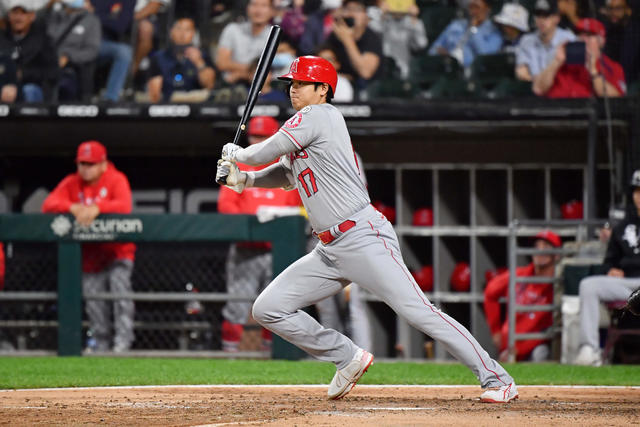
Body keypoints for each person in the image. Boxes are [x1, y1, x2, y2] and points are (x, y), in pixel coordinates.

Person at [215, 55, 518, 403]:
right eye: (291, 84)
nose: (293, 89)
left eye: (300, 83)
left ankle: (497, 378)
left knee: (419, 312)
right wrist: (245, 180)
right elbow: (284, 172)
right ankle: (347, 357)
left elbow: (262, 152)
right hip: (328, 250)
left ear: (322, 89)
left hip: (362, 235)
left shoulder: (320, 116)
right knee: (268, 308)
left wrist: (238, 156)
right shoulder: (306, 127)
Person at [218, 116, 304, 352]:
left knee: (276, 306)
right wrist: (252, 227)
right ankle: (229, 358)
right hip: (247, 250)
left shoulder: (284, 168)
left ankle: (270, 357)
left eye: (264, 137)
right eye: (255, 136)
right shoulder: (240, 166)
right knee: (237, 306)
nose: (258, 140)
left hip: (279, 252)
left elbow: (299, 209)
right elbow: (226, 206)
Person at [42, 141, 136, 353]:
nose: (85, 168)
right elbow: (48, 204)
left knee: (120, 296)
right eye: (82, 163)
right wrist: (72, 207)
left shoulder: (116, 178)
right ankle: (102, 345)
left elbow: (124, 206)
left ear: (103, 163)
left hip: (117, 252)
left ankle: (123, 343)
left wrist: (97, 208)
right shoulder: (71, 182)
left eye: (91, 163)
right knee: (94, 303)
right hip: (90, 257)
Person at [574, 170, 640, 366]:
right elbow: (609, 260)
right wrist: (610, 269)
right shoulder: (621, 227)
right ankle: (589, 350)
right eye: (637, 191)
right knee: (588, 285)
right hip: (626, 282)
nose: (639, 196)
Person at [484, 230, 562, 362]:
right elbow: (490, 292)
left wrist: (519, 350)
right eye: (537, 246)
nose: (540, 251)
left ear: (557, 255)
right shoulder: (520, 275)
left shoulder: (557, 285)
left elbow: (549, 330)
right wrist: (496, 331)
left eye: (546, 247)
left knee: (541, 354)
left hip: (533, 348)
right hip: (508, 347)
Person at [532, 18, 626, 97]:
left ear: (601, 41)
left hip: (591, 117)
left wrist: (593, 72)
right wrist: (556, 62)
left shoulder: (612, 67)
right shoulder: (563, 61)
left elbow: (618, 100)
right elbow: (538, 89)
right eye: (580, 35)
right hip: (558, 114)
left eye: (589, 35)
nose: (584, 39)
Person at [146, 16, 216, 103]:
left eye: (187, 30)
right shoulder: (159, 57)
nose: (182, 34)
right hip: (168, 105)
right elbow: (154, 94)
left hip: (196, 105)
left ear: (193, 33)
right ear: (171, 32)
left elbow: (209, 85)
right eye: (179, 28)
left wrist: (199, 62)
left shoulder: (203, 55)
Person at [0, 0, 58, 102]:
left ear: (32, 16)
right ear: (9, 16)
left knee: (29, 90)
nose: (18, 18)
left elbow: (53, 73)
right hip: (4, 86)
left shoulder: (43, 40)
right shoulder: (2, 37)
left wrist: (24, 74)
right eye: (15, 13)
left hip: (31, 86)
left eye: (23, 13)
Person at [47, 0, 101, 102]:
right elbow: (34, 21)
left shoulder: (91, 20)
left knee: (67, 84)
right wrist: (50, 5)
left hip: (73, 64)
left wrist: (69, 57)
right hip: (50, 60)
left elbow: (92, 51)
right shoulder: (55, 15)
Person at [326, 0, 383, 94]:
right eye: (347, 9)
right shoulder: (334, 37)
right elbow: (323, 63)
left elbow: (365, 72)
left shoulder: (372, 38)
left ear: (366, 17)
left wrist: (347, 40)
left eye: (357, 10)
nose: (351, 13)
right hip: (340, 88)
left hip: (366, 93)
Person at [428, 0, 502, 68]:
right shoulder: (456, 25)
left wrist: (474, 29)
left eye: (477, 7)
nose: (472, 12)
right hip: (449, 68)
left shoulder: (494, 32)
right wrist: (441, 53)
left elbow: (485, 56)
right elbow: (432, 50)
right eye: (471, 7)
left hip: (473, 73)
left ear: (487, 10)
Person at [215, 0, 274, 85]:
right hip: (231, 84)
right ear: (247, 8)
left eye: (264, 6)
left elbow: (270, 70)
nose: (258, 10)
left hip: (262, 86)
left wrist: (243, 74)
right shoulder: (232, 29)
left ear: (271, 11)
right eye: (254, 5)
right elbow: (222, 63)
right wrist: (252, 71)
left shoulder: (274, 35)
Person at [515, 0, 575, 82]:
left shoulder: (570, 39)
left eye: (546, 16)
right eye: (538, 15)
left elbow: (575, 76)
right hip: (533, 91)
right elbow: (522, 72)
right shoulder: (526, 40)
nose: (541, 20)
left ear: (557, 18)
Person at [368, 0, 428, 79]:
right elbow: (370, 33)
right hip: (380, 68)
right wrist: (382, 15)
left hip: (404, 69)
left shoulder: (412, 22)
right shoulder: (381, 18)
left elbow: (422, 44)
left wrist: (414, 20)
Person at [92, 0, 136, 102]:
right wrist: (107, 17)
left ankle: (110, 99)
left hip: (102, 44)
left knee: (124, 52)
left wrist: (93, 14)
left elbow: (120, 26)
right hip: (78, 41)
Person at [602, 0, 640, 85]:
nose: (613, 12)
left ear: (628, 10)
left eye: (618, 8)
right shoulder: (613, 31)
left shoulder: (635, 31)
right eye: (610, 9)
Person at [132, 0, 170, 76]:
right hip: (115, 12)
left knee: (146, 29)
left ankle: (131, 72)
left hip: (145, 17)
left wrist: (131, 19)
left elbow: (154, 5)